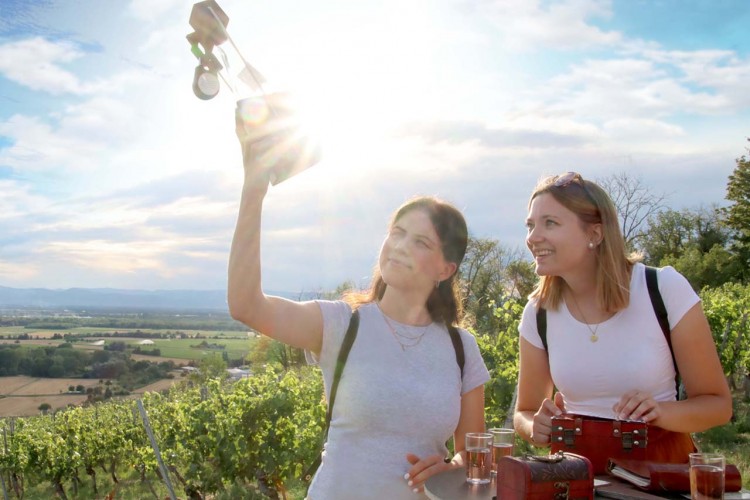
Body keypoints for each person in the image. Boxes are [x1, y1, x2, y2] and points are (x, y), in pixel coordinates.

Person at [228, 109, 490, 499]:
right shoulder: (341, 324)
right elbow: (246, 305)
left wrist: (453, 465)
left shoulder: (461, 349)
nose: (400, 246)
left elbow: (475, 461)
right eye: (397, 233)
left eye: (421, 242)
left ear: (445, 268)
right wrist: (254, 189)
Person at [514, 171, 732, 462]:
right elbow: (524, 412)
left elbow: (717, 405)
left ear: (595, 233)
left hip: (657, 476)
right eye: (530, 225)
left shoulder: (663, 289)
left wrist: (661, 412)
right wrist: (535, 427)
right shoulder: (538, 313)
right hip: (573, 478)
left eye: (550, 223)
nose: (532, 237)